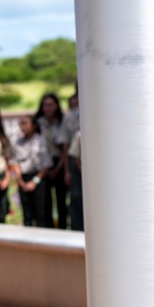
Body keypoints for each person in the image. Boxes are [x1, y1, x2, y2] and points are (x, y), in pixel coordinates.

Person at [34, 93, 67, 229]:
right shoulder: (38, 122)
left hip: (59, 162)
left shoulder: (62, 121)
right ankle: (47, 229)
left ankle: (63, 227)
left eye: (50, 105)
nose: (47, 108)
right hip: (42, 165)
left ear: (56, 106)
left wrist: (59, 168)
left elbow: (65, 146)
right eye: (45, 105)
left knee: (61, 200)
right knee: (45, 201)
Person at [12, 115, 52, 227]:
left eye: (25, 123)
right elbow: (15, 164)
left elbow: (46, 164)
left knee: (41, 213)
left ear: (34, 126)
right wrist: (21, 182)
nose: (22, 127)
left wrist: (35, 181)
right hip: (23, 178)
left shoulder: (41, 141)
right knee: (27, 214)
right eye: (21, 124)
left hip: (38, 178)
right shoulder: (17, 143)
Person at [59, 90, 83, 231]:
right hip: (76, 161)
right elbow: (66, 146)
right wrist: (67, 170)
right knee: (77, 198)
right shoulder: (70, 117)